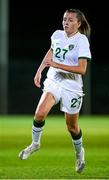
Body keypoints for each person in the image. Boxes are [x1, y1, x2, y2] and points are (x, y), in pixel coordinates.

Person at [19, 8, 91, 173]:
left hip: (72, 87)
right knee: (39, 114)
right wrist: (40, 70)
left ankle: (80, 153)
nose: (66, 22)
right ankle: (35, 144)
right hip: (54, 80)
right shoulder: (57, 35)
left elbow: (82, 70)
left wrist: (57, 64)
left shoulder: (81, 41)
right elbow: (51, 52)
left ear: (78, 23)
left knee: (72, 127)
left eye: (71, 20)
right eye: (65, 19)